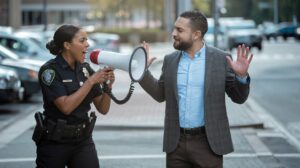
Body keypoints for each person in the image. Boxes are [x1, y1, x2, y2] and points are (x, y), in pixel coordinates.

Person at [140, 11, 253, 168]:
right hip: (176, 144)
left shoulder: (221, 60)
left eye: (179, 30)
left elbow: (239, 98)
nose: (173, 34)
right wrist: (142, 71)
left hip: (208, 144)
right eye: (174, 29)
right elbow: (160, 94)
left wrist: (241, 76)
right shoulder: (170, 60)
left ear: (196, 34)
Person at [32, 24, 115, 168]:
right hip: (55, 142)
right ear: (67, 45)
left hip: (83, 140)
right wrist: (91, 82)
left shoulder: (85, 68)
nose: (87, 44)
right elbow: (66, 107)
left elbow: (103, 108)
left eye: (87, 40)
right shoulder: (49, 71)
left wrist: (108, 86)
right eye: (82, 41)